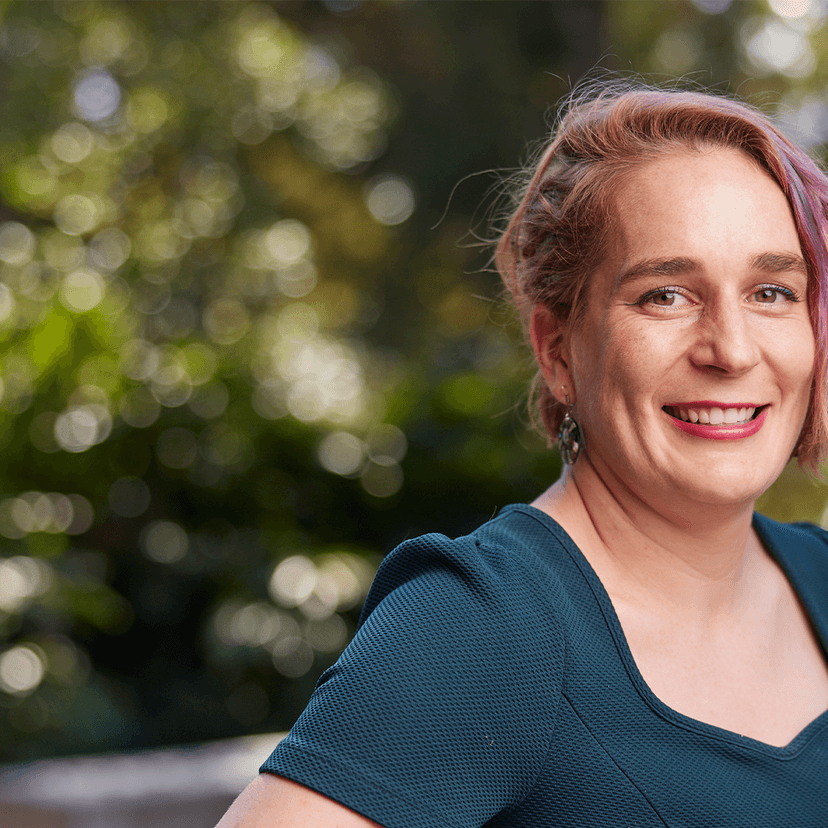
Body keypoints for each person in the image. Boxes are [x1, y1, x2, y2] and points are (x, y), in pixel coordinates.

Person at [216, 81, 828, 827]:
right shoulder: (484, 622)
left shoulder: (820, 577)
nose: (731, 350)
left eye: (772, 292)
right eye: (665, 295)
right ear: (557, 349)